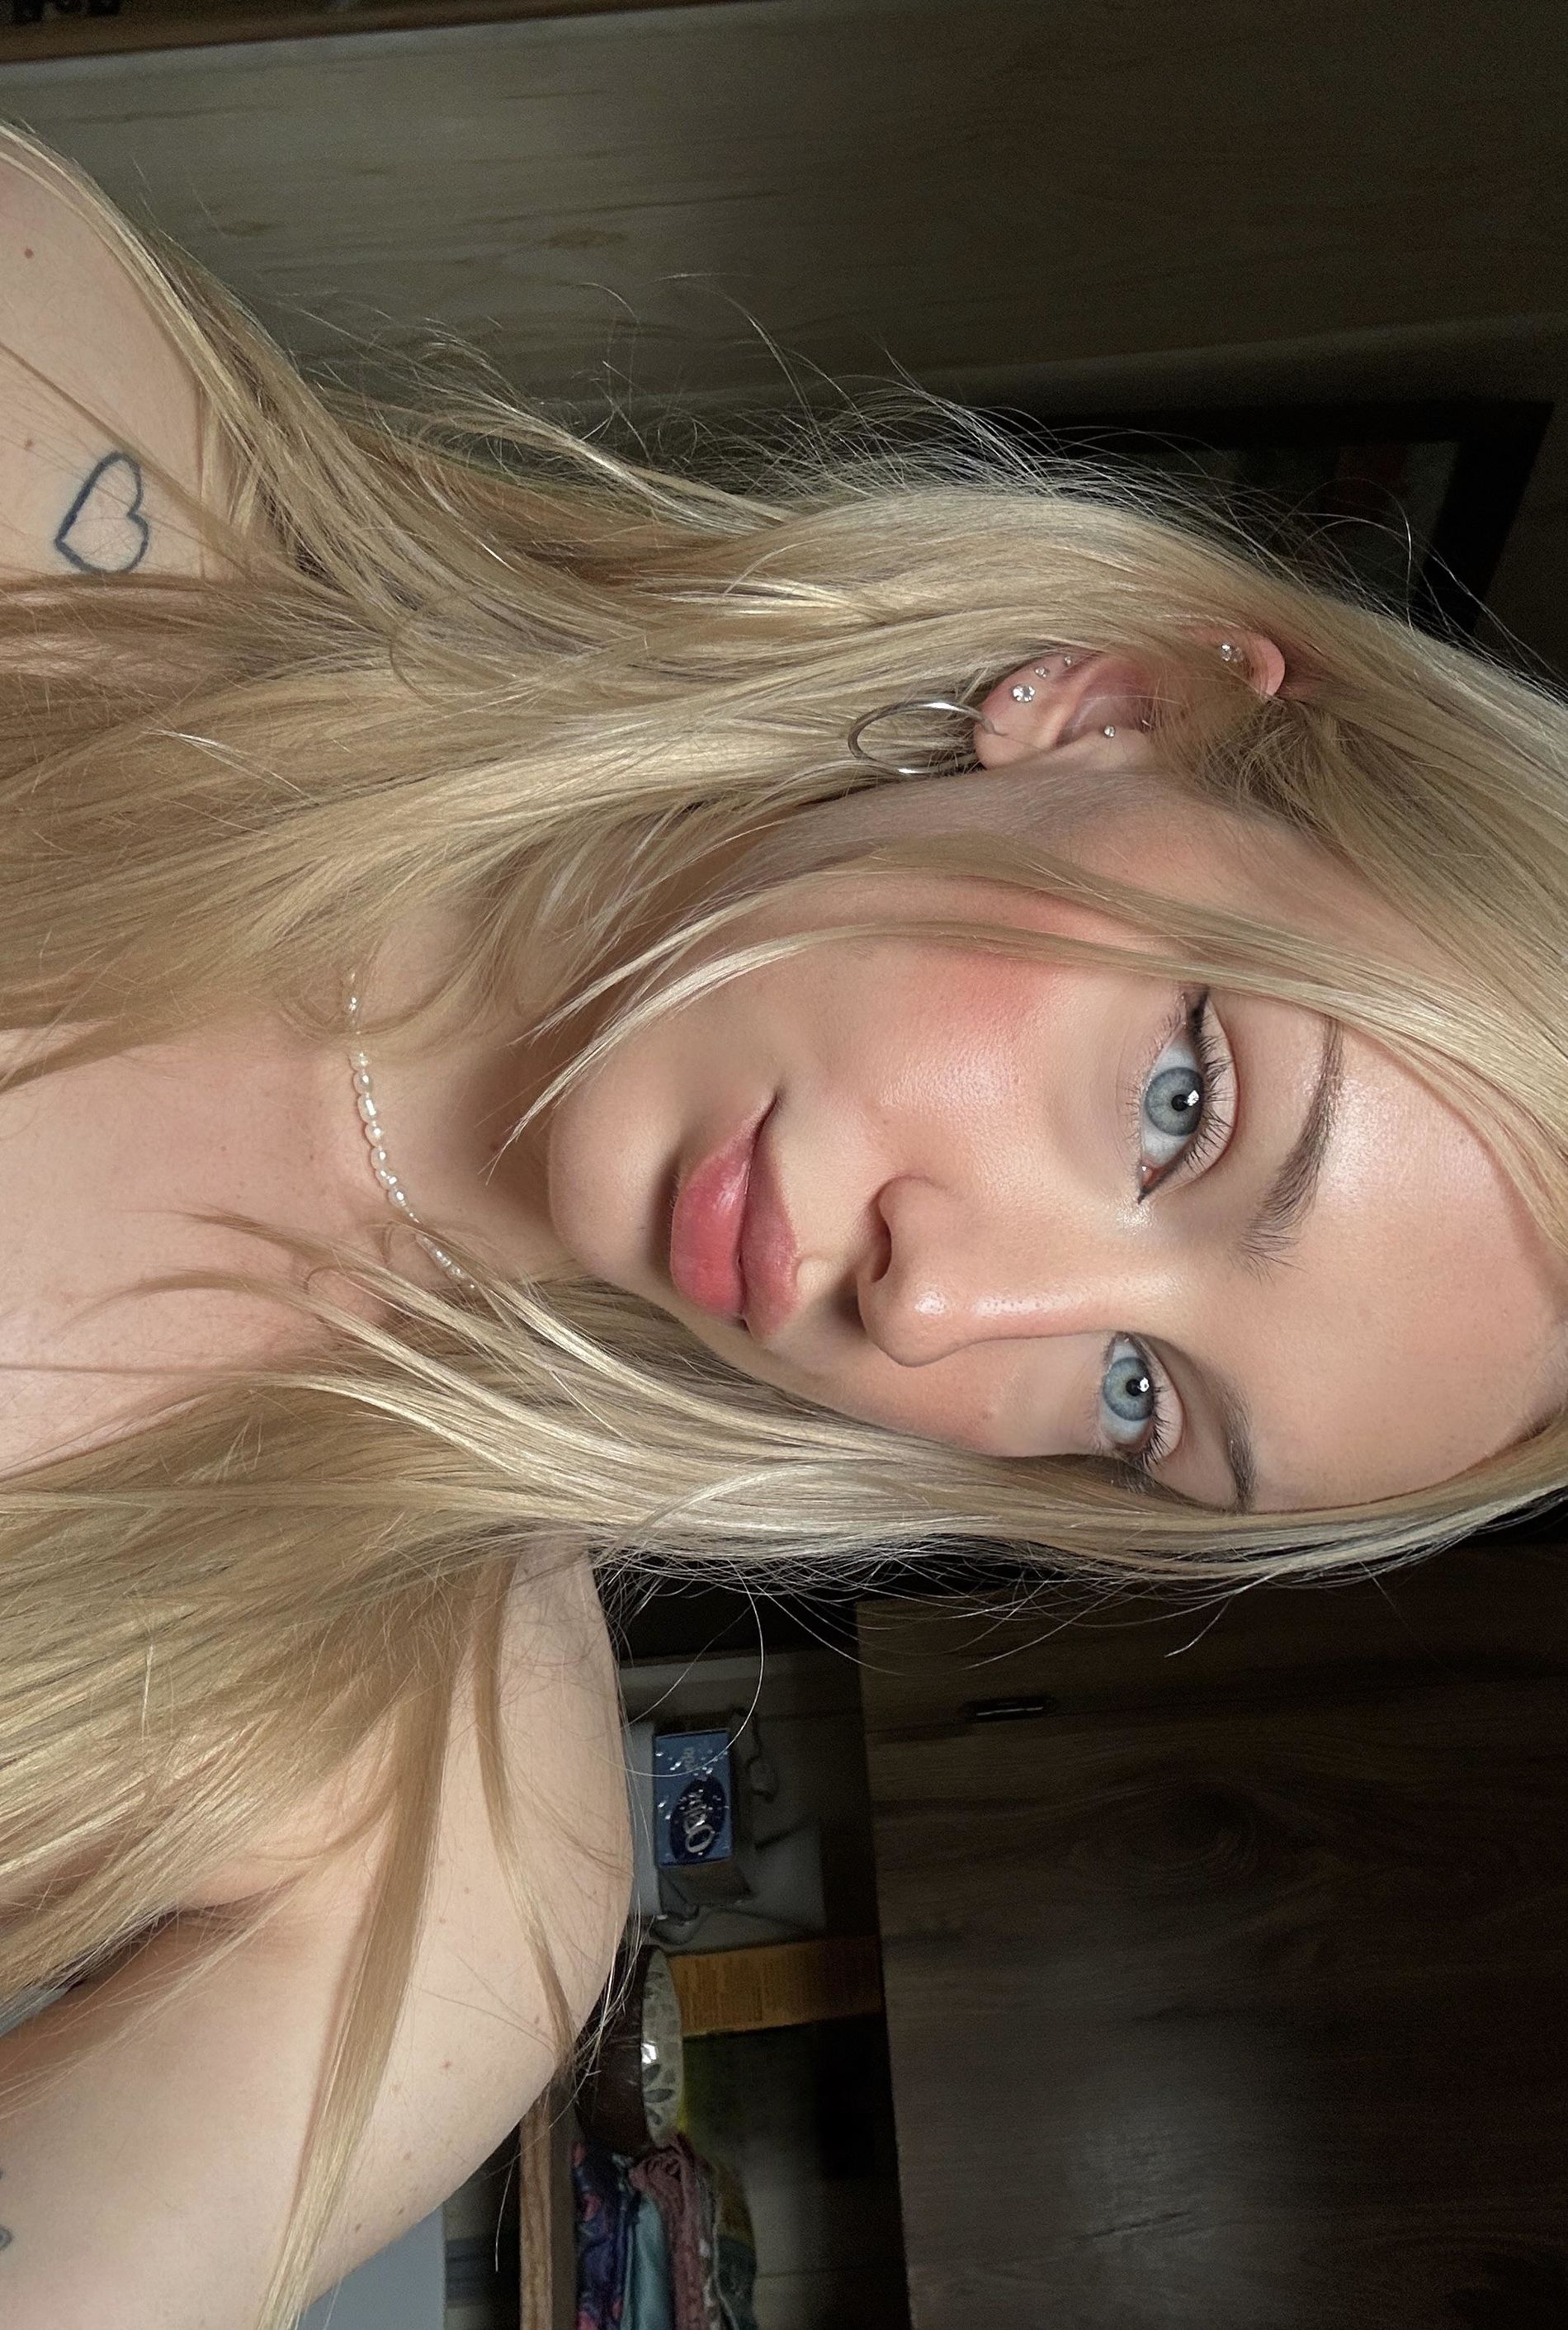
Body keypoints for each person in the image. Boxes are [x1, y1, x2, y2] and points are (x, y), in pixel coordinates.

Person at [0, 118, 1561, 2330]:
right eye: (1182, 1104)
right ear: (1108, 708)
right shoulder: (48, 392)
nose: (942, 1310)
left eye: (1138, 1399)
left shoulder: (440, 1872)